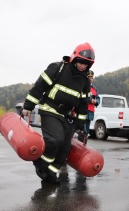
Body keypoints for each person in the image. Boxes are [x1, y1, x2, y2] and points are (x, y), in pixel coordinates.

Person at [22, 42, 94, 184]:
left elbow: (83, 104)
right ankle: (40, 164)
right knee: (55, 140)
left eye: (86, 63)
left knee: (65, 149)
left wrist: (80, 124)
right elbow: (39, 86)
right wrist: (28, 106)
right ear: (74, 57)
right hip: (50, 108)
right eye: (81, 61)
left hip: (66, 115)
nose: (83, 65)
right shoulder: (58, 68)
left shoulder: (85, 81)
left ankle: (51, 174)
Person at [79, 70, 100, 144]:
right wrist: (90, 100)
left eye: (92, 77)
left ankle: (84, 145)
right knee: (83, 130)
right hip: (83, 110)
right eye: (89, 77)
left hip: (90, 112)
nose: (91, 79)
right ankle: (80, 144)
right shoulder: (83, 86)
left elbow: (98, 98)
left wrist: (96, 101)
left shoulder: (94, 89)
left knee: (86, 131)